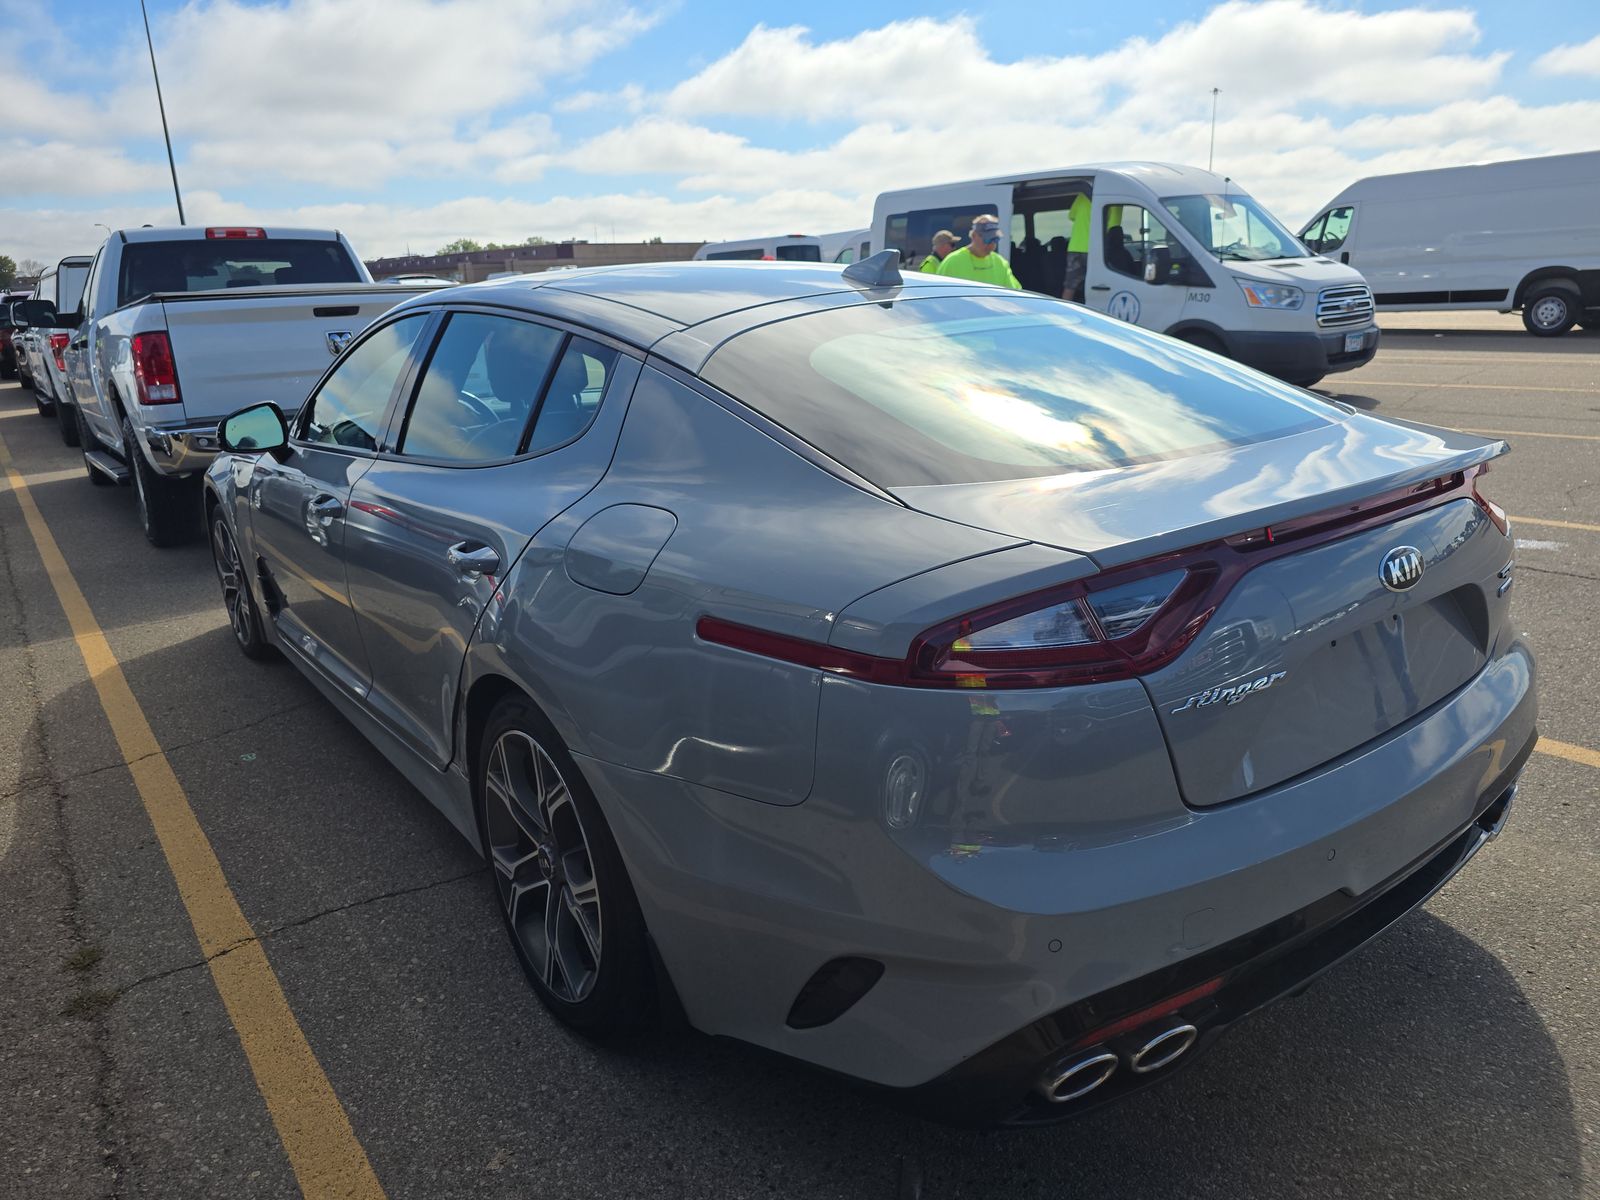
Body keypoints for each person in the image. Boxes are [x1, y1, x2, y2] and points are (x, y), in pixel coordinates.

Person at [937, 215, 1020, 288]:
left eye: (995, 239)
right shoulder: (952, 262)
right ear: (973, 236)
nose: (992, 245)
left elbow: (1014, 293)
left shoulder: (1000, 263)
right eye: (987, 239)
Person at [1062, 193, 1091, 301]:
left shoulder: (1083, 195)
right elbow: (1113, 227)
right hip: (1094, 248)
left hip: (1075, 246)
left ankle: (1064, 313)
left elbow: (1071, 215)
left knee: (1069, 286)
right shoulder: (1112, 198)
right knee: (1099, 285)